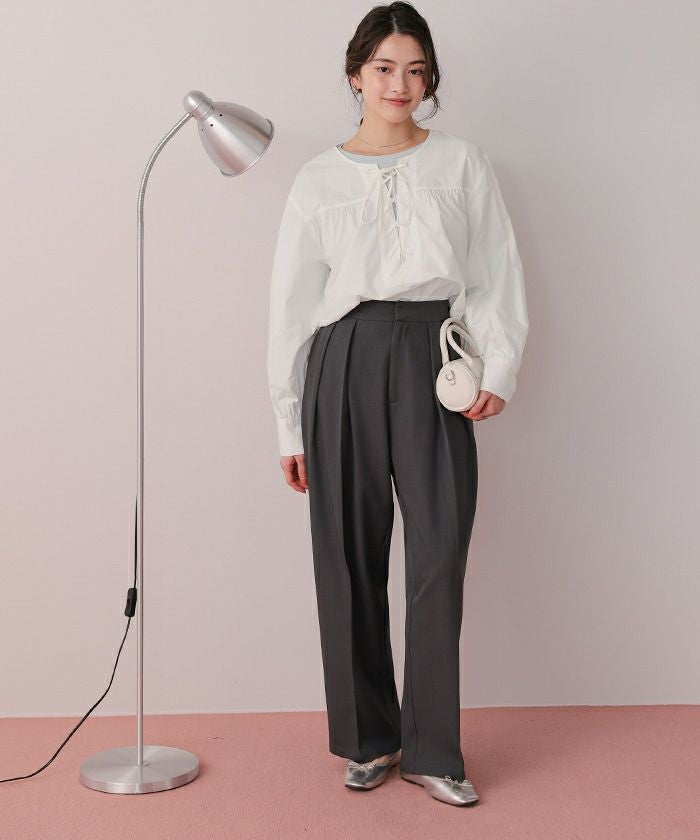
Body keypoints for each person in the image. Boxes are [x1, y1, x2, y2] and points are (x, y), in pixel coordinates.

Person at [266, 1, 529, 808]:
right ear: (356, 75)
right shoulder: (317, 179)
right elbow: (289, 306)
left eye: (415, 70)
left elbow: (494, 271)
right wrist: (287, 419)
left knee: (439, 551)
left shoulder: (462, 163)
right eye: (384, 68)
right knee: (348, 555)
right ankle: (370, 739)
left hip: (431, 355)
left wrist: (497, 365)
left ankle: (434, 750)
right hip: (341, 359)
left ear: (430, 79)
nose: (399, 84)